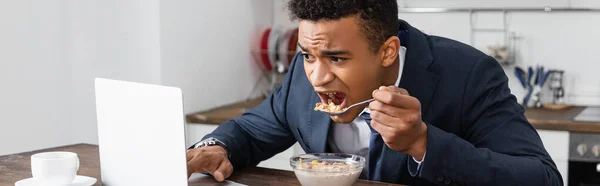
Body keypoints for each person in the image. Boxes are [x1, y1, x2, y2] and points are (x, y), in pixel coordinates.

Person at [186, 0, 563, 185]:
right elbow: (251, 131)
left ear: (387, 51)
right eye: (306, 56)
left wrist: (424, 143)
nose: (317, 76)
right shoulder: (307, 74)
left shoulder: (468, 76)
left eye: (336, 57)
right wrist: (214, 149)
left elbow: (543, 178)